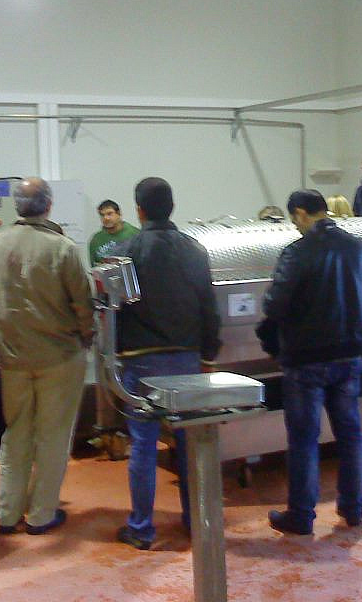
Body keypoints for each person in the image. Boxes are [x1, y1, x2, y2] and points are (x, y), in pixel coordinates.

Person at [0, 178, 94, 536]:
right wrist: (87, 335)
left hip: (11, 358)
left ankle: (8, 512)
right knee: (53, 436)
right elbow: (83, 303)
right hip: (59, 357)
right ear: (49, 205)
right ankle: (41, 514)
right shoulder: (63, 249)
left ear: (16, 206)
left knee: (16, 433)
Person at [113, 177, 221, 550]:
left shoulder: (125, 252)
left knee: (143, 444)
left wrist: (115, 356)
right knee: (189, 443)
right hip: (187, 359)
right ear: (172, 207)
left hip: (140, 362)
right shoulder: (195, 250)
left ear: (139, 210)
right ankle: (196, 521)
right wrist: (208, 356)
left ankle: (142, 528)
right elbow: (209, 307)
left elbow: (113, 312)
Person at [262, 189, 362, 534]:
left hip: (306, 359)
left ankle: (301, 515)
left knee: (304, 439)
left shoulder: (297, 252)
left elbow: (275, 304)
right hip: (349, 354)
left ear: (300, 213)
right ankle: (353, 509)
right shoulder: (360, 247)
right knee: (350, 434)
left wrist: (270, 337)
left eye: (294, 220)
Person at [88, 199, 139, 265]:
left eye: (109, 214)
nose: (106, 218)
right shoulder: (95, 240)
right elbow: (94, 266)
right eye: (102, 215)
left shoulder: (135, 234)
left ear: (119, 213)